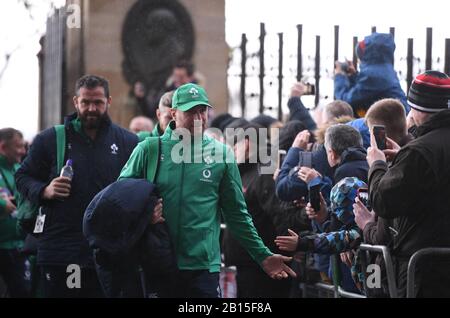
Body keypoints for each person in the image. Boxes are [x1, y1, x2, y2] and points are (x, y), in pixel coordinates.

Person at [119, 83, 296, 298]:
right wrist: (145, 212)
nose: (198, 118)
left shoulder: (221, 154)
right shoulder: (149, 149)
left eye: (202, 111)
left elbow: (237, 214)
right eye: (191, 111)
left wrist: (263, 256)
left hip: (202, 268)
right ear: (173, 113)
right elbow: (122, 198)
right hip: (157, 262)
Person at [15, 75, 139, 298]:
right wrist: (45, 190)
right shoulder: (50, 139)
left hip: (109, 251)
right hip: (62, 250)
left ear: (109, 101)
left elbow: (142, 187)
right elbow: (23, 176)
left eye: (98, 102)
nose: (91, 108)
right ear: (75, 102)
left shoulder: (128, 142)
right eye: (85, 102)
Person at [366, 71, 450, 297]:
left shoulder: (419, 152)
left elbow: (384, 201)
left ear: (420, 108)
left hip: (422, 269)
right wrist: (404, 155)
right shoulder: (419, 150)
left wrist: (377, 164)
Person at [334, 33, 408, 118]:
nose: (358, 61)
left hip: (391, 124)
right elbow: (364, 91)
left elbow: (345, 102)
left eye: (360, 56)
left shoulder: (373, 76)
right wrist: (354, 76)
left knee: (351, 125)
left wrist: (340, 76)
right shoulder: (383, 70)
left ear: (366, 56)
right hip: (396, 119)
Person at [0, 128, 29, 297]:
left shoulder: (20, 170)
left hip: (17, 247)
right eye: (18, 147)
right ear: (3, 148)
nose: (23, 151)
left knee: (22, 291)